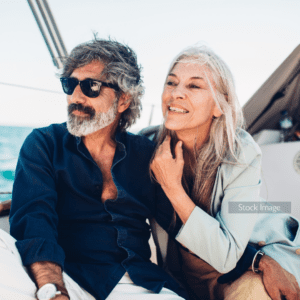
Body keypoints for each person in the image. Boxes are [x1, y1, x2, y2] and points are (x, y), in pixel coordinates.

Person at [3, 37, 187, 300]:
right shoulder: (44, 144)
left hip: (134, 284)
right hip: (64, 278)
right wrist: (54, 291)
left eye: (92, 86)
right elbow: (34, 220)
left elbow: (183, 225)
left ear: (123, 100)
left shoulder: (147, 156)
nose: (75, 97)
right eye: (69, 84)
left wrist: (255, 259)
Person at [150, 45, 300, 300]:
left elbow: (226, 255)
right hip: (190, 274)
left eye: (194, 86)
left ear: (219, 106)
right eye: (171, 82)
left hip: (256, 252)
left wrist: (173, 188)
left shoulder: (239, 150)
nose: (176, 93)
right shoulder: (146, 147)